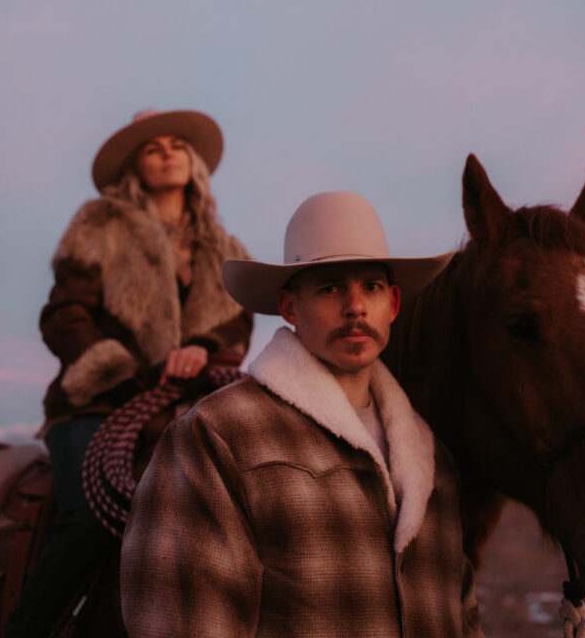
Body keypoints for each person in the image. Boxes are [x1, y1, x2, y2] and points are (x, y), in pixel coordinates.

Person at [121, 190, 484, 638]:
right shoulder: (217, 436)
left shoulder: (433, 462)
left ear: (392, 305)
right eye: (330, 287)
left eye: (371, 287)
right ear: (289, 307)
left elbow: (465, 622)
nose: (355, 306)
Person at [5, 108, 252, 638]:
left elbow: (237, 323)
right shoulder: (100, 224)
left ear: (192, 161)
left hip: (187, 407)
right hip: (98, 402)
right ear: (134, 167)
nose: (167, 153)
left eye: (176, 145)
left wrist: (204, 348)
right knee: (89, 520)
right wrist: (127, 374)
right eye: (151, 148)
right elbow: (64, 316)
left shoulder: (224, 249)